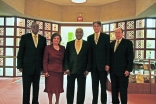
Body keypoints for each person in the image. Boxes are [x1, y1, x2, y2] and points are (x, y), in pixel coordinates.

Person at [17, 22, 47, 104]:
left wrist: (44, 68)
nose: (35, 28)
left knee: (36, 87)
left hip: (37, 68)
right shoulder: (25, 38)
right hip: (26, 68)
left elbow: (44, 54)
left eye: (37, 27)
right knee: (26, 87)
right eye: (34, 27)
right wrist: (19, 65)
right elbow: (20, 52)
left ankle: (35, 102)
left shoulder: (43, 39)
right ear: (31, 28)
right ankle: (26, 102)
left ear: (39, 28)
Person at [64, 28, 91, 104]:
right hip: (70, 71)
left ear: (82, 34)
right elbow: (66, 58)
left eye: (80, 32)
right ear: (75, 33)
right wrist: (66, 68)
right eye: (77, 32)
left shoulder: (87, 44)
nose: (79, 33)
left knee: (81, 90)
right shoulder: (69, 44)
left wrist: (87, 69)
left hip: (82, 71)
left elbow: (89, 58)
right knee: (70, 89)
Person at [87, 21, 110, 104]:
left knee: (103, 86)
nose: (96, 27)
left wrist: (107, 63)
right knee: (94, 86)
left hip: (103, 66)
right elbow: (89, 53)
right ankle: (95, 101)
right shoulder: (89, 37)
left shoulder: (106, 37)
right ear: (93, 27)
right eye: (94, 26)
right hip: (93, 67)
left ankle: (104, 101)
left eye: (97, 26)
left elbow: (108, 51)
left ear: (100, 27)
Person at [110, 27, 133, 104]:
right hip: (113, 71)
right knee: (114, 89)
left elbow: (130, 57)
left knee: (123, 90)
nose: (117, 34)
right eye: (116, 33)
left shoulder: (128, 43)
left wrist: (128, 69)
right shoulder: (112, 44)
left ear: (122, 33)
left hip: (123, 71)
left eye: (119, 32)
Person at [43, 33, 65, 104]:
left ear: (60, 40)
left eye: (58, 38)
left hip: (59, 72)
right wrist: (45, 71)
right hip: (50, 72)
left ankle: (57, 102)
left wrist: (65, 69)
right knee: (50, 89)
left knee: (58, 89)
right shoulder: (48, 48)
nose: (56, 40)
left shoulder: (62, 48)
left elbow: (64, 60)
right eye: (55, 38)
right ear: (52, 39)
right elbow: (45, 60)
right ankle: (50, 102)